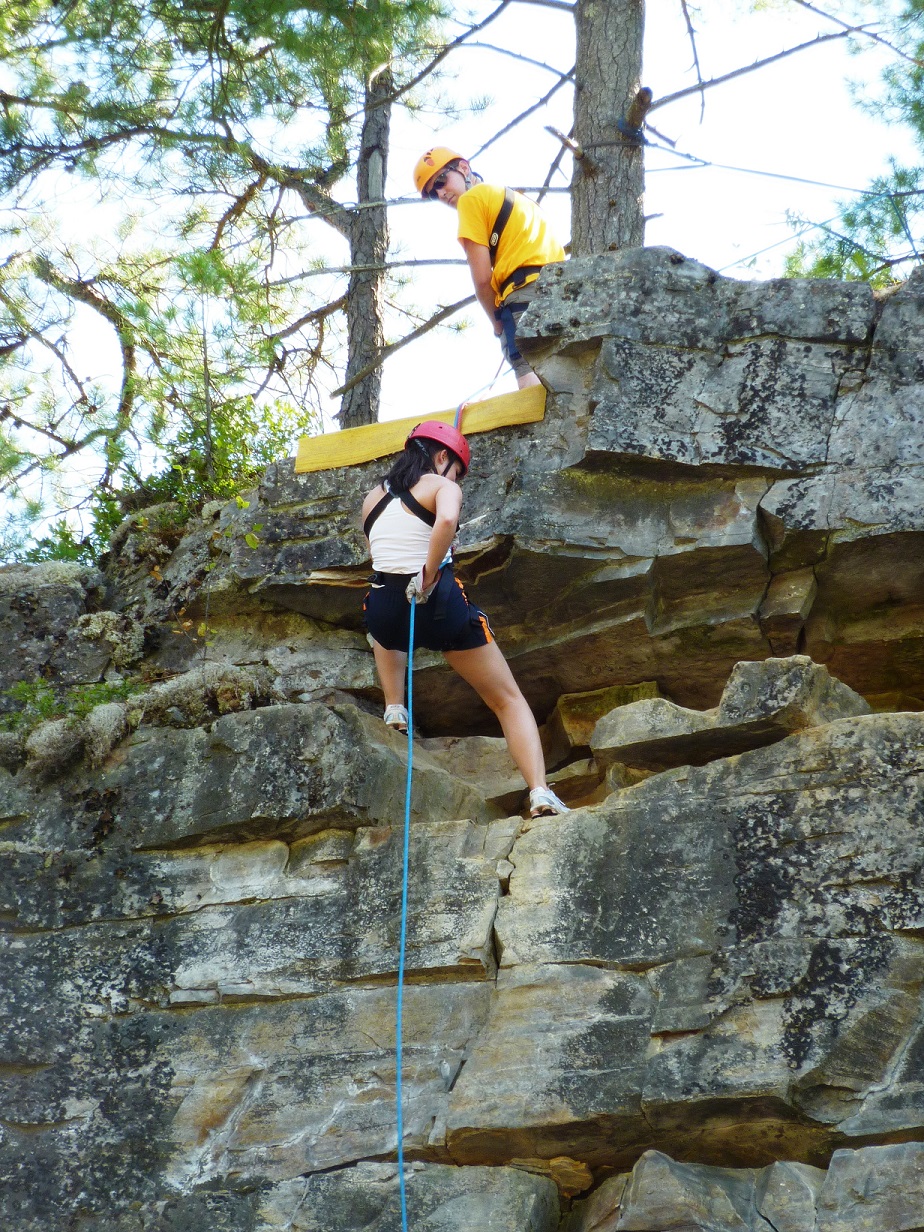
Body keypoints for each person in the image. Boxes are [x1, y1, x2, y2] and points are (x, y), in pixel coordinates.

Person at [361, 420, 569, 818]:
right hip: (439, 605)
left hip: (388, 608)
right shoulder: (443, 487)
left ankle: (394, 705)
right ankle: (540, 790)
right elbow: (445, 521)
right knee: (507, 700)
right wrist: (428, 570)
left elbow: (381, 552)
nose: (456, 479)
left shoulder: (372, 498)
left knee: (379, 617)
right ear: (442, 458)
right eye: (456, 470)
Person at [413, 146, 565, 390]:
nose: (440, 193)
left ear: (463, 167)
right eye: (433, 193)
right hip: (559, 294)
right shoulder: (515, 198)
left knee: (531, 384)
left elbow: (483, 280)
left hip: (522, 297)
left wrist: (498, 324)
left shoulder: (471, 201)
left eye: (441, 180)